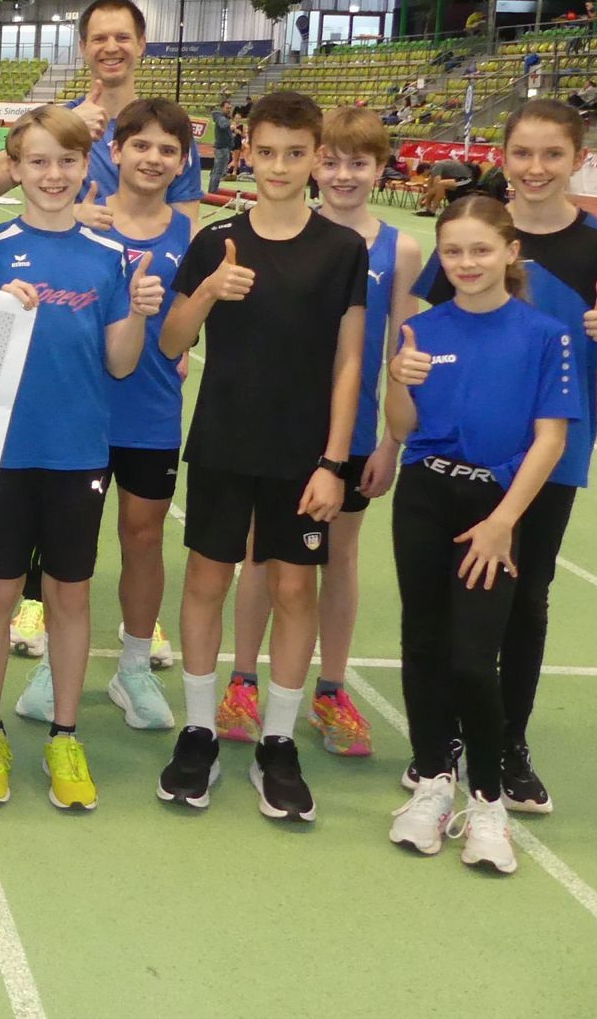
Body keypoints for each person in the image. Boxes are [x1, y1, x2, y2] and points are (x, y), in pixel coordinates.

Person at [411, 97, 597, 813]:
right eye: (522, 154)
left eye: (552, 154)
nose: (536, 168)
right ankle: (443, 741)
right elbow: (422, 342)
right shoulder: (474, 233)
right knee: (448, 604)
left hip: (549, 457)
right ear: (502, 157)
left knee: (525, 602)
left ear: (578, 160)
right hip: (460, 458)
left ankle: (509, 744)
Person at [156, 91, 367, 824]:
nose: (279, 166)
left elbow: (348, 362)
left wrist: (333, 463)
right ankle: (198, 731)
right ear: (246, 152)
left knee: (294, 590)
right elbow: (172, 340)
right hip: (223, 441)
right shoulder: (216, 240)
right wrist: (210, 292)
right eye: (267, 152)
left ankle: (278, 741)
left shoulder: (341, 249)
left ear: (317, 157)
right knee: (206, 580)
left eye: (295, 153)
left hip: (301, 455)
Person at [0, 106, 155, 812]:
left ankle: (65, 735)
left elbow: (121, 364)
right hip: (4, 455)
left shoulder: (110, 256)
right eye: (38, 161)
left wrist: (139, 312)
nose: (53, 174)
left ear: (84, 168)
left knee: (70, 596)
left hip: (78, 455)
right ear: (14, 167)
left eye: (67, 161)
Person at [384, 196, 575, 875]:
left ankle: (487, 800)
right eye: (454, 252)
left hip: (495, 507)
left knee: (472, 658)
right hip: (424, 496)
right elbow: (402, 427)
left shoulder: (544, 335)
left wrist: (502, 523)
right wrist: (398, 381)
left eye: (481, 250)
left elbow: (550, 440)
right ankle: (433, 781)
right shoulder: (421, 329)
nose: (466, 263)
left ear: (510, 252)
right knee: (423, 643)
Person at [221, 107, 419, 758]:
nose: (342, 175)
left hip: (352, 437)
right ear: (312, 163)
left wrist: (391, 442)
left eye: (358, 163)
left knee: (338, 557)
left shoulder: (399, 249)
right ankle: (243, 681)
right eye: (331, 162)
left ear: (381, 169)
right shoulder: (285, 233)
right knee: (261, 554)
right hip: (279, 431)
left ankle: (330, 690)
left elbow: (400, 348)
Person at [89, 99, 194, 732]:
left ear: (182, 164)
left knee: (144, 536)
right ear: (117, 151)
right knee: (72, 542)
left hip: (152, 411)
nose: (153, 158)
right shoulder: (85, 221)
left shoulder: (191, 238)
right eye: (141, 145)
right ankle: (59, 665)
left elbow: (192, 326)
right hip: (82, 409)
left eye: (167, 150)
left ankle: (132, 666)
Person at [0, 0, 203, 230]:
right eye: (99, 39)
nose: (111, 48)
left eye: (122, 37)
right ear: (83, 47)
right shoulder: (57, 122)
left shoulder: (168, 130)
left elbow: (184, 227)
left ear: (141, 44)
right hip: (71, 251)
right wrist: (69, 125)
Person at [208, 95, 235, 193]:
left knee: (216, 171)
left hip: (223, 147)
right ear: (222, 108)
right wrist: (230, 126)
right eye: (227, 108)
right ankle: (213, 192)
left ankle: (212, 191)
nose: (229, 110)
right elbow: (223, 125)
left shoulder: (222, 117)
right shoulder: (222, 118)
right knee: (218, 172)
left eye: (230, 108)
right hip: (222, 148)